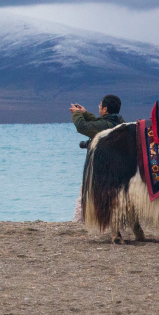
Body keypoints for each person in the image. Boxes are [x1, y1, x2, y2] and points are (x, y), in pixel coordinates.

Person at [69, 94, 124, 222]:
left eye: (100, 105)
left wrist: (77, 114)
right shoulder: (119, 122)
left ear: (105, 109)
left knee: (85, 196)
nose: (98, 107)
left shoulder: (106, 125)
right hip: (115, 169)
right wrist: (85, 113)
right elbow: (99, 123)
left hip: (98, 168)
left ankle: (78, 223)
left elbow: (83, 127)